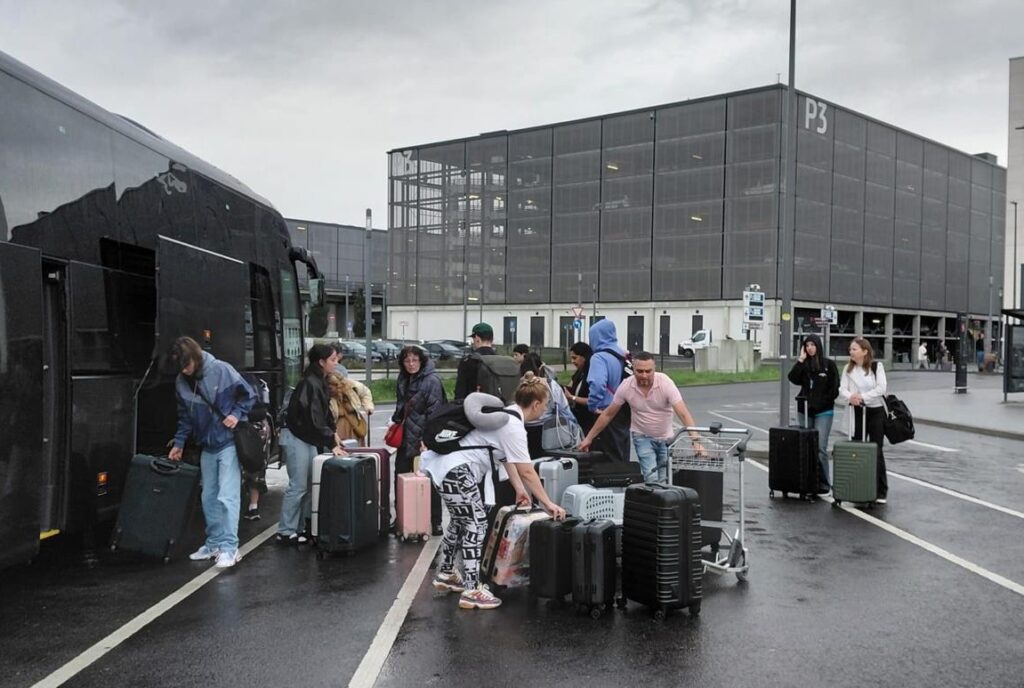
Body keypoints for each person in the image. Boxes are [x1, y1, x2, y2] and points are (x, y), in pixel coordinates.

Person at [419, 375, 567, 610]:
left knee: (460, 521)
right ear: (537, 403)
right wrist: (548, 503)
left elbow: (507, 459)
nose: (546, 409)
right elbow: (527, 470)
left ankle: (446, 572)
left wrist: (520, 490)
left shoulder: (506, 416)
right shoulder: (514, 426)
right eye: (546, 404)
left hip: (445, 468)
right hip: (457, 472)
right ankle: (471, 589)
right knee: (476, 524)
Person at [168, 336, 257, 569]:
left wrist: (236, 415)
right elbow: (185, 416)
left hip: (226, 442)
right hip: (208, 444)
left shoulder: (221, 370)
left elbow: (249, 394)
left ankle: (229, 547)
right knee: (209, 497)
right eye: (181, 367)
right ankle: (215, 543)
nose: (185, 371)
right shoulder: (182, 381)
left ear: (195, 358)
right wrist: (179, 443)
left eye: (186, 365)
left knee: (227, 497)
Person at [579, 352, 701, 483]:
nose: (644, 375)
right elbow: (608, 414)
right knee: (651, 477)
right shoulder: (626, 386)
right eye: (640, 371)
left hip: (667, 439)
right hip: (642, 437)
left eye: (648, 371)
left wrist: (696, 441)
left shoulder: (665, 383)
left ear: (655, 369)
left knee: (665, 478)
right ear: (633, 370)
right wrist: (588, 438)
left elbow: (683, 413)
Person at [276, 344, 346, 545]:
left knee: (305, 485)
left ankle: (296, 529)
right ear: (321, 362)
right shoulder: (311, 383)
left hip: (304, 436)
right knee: (298, 485)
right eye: (332, 360)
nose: (336, 363)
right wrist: (331, 440)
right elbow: (314, 418)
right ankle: (286, 530)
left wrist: (332, 434)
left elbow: (321, 416)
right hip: (297, 435)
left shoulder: (317, 381)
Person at [391, 345, 446, 535]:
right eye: (407, 361)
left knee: (429, 480)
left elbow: (435, 413)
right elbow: (400, 406)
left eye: (415, 360)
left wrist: (428, 440)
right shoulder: (402, 379)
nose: (411, 364)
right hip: (406, 437)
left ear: (421, 361)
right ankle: (402, 518)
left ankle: (435, 521)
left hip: (424, 439)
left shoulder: (431, 381)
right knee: (401, 477)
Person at [786, 334, 839, 494]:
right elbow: (792, 378)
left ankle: (824, 482)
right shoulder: (805, 365)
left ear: (818, 346)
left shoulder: (828, 365)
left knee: (820, 447)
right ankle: (808, 480)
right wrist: (800, 360)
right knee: (806, 445)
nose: (810, 348)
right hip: (805, 410)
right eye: (807, 345)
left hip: (824, 411)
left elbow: (834, 388)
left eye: (812, 345)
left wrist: (822, 401)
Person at [838, 337, 888, 503]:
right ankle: (857, 485)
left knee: (876, 449)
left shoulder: (876, 367)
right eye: (850, 349)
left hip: (875, 411)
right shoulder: (848, 368)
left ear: (865, 351)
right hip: (857, 410)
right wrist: (851, 397)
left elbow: (881, 388)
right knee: (857, 447)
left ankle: (880, 490)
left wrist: (863, 396)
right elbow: (842, 388)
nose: (851, 352)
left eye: (854, 349)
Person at [585, 319, 632, 461]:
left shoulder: (599, 357)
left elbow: (598, 384)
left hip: (605, 411)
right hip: (623, 410)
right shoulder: (623, 354)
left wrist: (593, 406)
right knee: (621, 452)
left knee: (607, 456)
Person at [518, 352, 580, 458]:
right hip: (547, 431)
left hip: (521, 430)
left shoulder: (519, 385)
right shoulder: (550, 384)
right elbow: (564, 408)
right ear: (540, 367)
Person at [327, 371, 375, 445]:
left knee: (355, 446)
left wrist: (368, 406)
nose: (329, 390)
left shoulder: (353, 386)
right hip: (338, 425)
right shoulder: (327, 395)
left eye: (330, 388)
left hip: (354, 423)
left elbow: (365, 392)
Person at [454, 323, 499, 401]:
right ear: (492, 339)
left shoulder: (468, 361)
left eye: (473, 339)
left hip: (475, 408)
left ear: (477, 338)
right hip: (499, 407)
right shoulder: (500, 360)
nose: (473, 342)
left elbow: (460, 392)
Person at [564, 342, 596, 434]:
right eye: (571, 358)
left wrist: (572, 397)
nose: (572, 361)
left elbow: (592, 400)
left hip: (588, 421)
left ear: (584, 357)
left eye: (575, 358)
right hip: (578, 418)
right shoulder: (579, 372)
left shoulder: (592, 374)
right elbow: (572, 387)